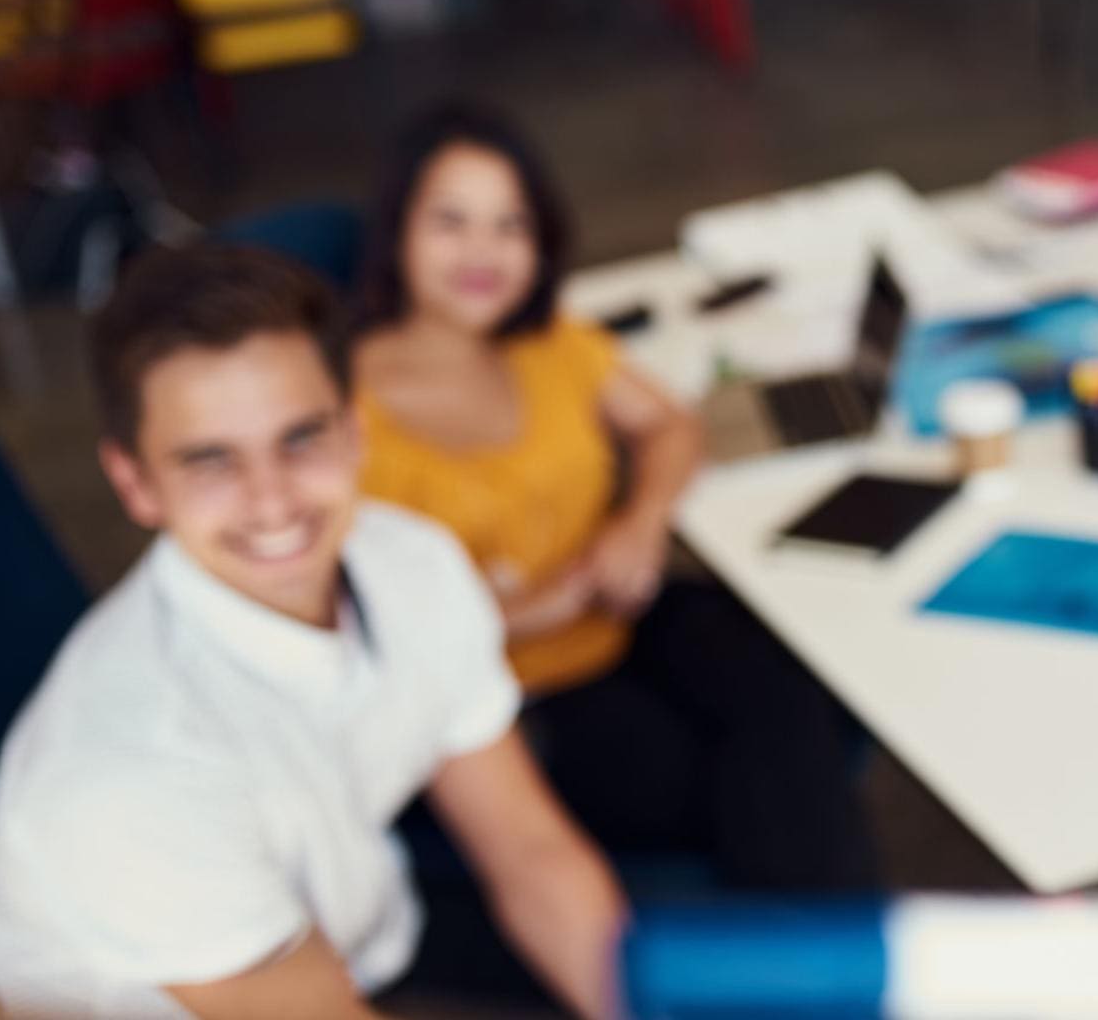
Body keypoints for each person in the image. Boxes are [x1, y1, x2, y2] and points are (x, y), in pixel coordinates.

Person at [0, 246, 625, 1018]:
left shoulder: (411, 562)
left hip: (354, 938)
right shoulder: (127, 777)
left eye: (301, 438)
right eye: (212, 461)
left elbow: (530, 852)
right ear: (136, 484)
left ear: (354, 433)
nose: (273, 501)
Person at [349, 102, 877, 892]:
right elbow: (358, 636)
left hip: (620, 610)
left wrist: (640, 521)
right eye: (451, 223)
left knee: (800, 684)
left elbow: (669, 424)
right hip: (503, 696)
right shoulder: (344, 414)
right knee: (739, 782)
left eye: (510, 225)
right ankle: (830, 963)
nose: (483, 252)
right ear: (397, 232)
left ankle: (824, 958)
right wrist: (536, 612)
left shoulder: (547, 340)